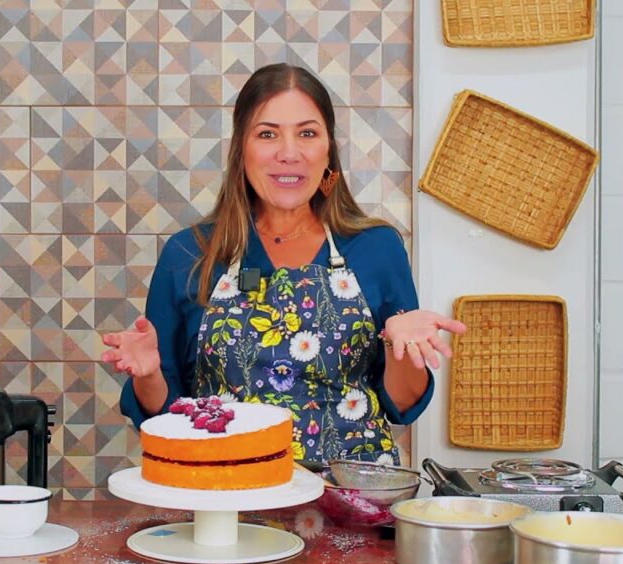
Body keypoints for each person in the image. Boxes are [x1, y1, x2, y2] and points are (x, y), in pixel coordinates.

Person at [103, 63, 466, 465]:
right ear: (241, 149)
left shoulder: (377, 248)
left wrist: (401, 349)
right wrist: (149, 374)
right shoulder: (190, 254)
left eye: (307, 133)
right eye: (267, 134)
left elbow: (402, 404)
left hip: (351, 492)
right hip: (228, 491)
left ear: (328, 150)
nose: (289, 153)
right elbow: (163, 415)